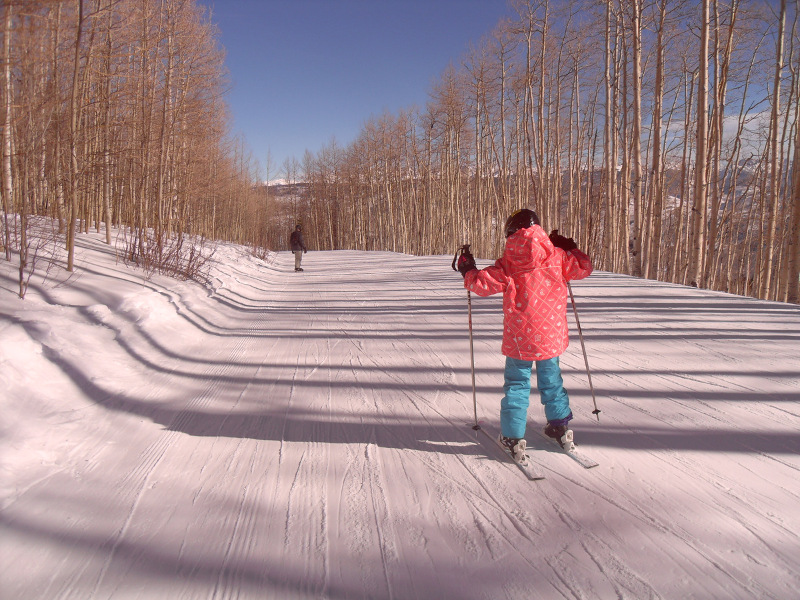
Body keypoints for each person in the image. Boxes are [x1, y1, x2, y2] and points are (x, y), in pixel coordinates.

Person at [456, 208, 593, 460]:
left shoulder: (510, 263)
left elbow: (480, 284)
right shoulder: (557, 256)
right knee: (552, 381)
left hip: (520, 339)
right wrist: (570, 247)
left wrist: (467, 269)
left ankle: (513, 436)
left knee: (517, 385)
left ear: (510, 232)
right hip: (551, 337)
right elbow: (584, 267)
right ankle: (560, 426)